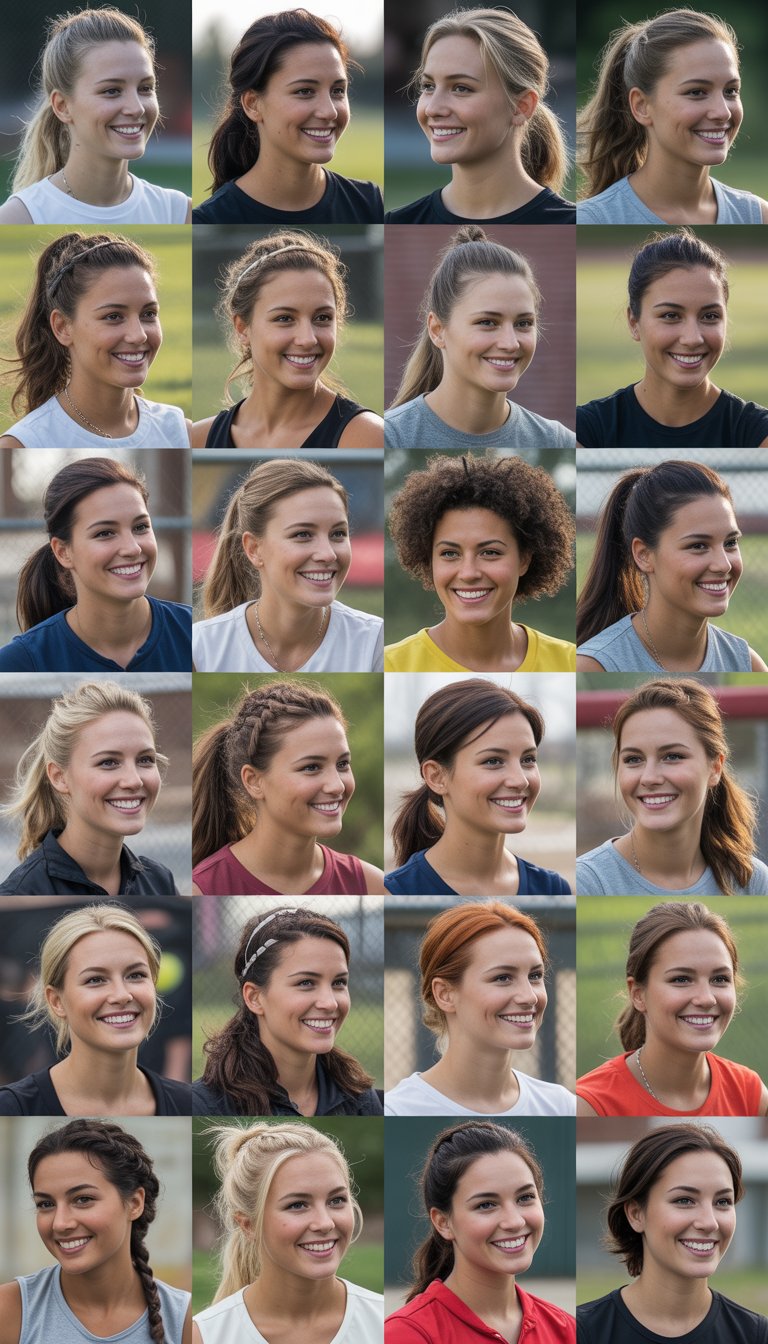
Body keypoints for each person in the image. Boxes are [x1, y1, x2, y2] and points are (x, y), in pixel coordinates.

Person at [0, 1118, 191, 1344]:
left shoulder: (183, 1319)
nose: (60, 1223)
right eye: (46, 1204)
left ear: (135, 1203)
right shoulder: (10, 1311)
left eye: (83, 1199)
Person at [192, 1121, 383, 1343]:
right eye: (297, 1205)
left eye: (336, 1200)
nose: (325, 1223)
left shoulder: (383, 1323)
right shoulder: (203, 1336)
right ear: (248, 1225)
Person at [385, 1120, 576, 1342]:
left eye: (525, 1198)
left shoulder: (566, 1330)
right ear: (443, 1222)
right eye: (486, 1204)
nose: (514, 1221)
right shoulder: (406, 1335)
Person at [385, 227, 575, 449]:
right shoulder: (390, 437)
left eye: (523, 323)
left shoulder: (559, 442)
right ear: (437, 330)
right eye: (487, 322)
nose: (510, 343)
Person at [385, 451, 575, 672]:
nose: (468, 573)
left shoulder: (570, 661)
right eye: (449, 553)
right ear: (429, 560)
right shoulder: (391, 664)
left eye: (490, 552)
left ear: (524, 559)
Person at [576, 678, 768, 896]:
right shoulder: (589, 883)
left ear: (715, 768)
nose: (649, 778)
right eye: (633, 759)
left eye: (672, 756)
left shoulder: (752, 882)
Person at [577, 1124, 768, 1343]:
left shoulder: (755, 1335)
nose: (710, 1222)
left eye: (722, 1202)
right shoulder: (583, 1331)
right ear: (636, 1214)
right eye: (684, 1200)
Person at [192, 680, 385, 896]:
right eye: (311, 767)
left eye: (342, 764)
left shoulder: (373, 885)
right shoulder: (203, 889)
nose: (337, 785)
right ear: (253, 781)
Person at [576, 232, 768, 447]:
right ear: (634, 322)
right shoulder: (586, 431)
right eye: (670, 315)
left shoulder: (758, 435)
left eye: (710, 316)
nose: (692, 338)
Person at [190, 233, 382, 449]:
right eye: (285, 319)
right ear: (242, 328)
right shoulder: (197, 439)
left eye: (322, 318)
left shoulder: (367, 437)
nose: (308, 339)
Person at [576, 9, 768, 224]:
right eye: (696, 92)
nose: (723, 112)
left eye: (731, 91)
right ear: (641, 106)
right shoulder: (591, 219)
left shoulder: (757, 216)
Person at [0, 8, 190, 225]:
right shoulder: (19, 218)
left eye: (145, 88)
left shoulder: (180, 213)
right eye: (112, 91)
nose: (136, 108)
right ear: (62, 106)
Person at [577, 902, 768, 1117]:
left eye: (720, 979)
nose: (706, 998)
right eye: (681, 979)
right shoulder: (590, 1106)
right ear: (638, 994)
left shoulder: (750, 1094)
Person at [0, 457, 190, 672]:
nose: (133, 548)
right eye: (105, 533)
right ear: (63, 552)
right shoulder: (17, 664)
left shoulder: (194, 633)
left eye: (140, 527)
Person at [386, 7, 575, 224]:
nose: (432, 108)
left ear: (521, 107)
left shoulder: (568, 221)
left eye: (461, 88)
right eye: (428, 86)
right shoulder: (399, 221)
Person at [385, 900, 575, 1116]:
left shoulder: (562, 1106)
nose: (529, 997)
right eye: (502, 978)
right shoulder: (398, 1110)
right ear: (444, 994)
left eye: (535, 976)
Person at [0, 232, 189, 448]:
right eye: (113, 316)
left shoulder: (179, 431)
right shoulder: (23, 444)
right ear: (62, 327)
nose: (139, 335)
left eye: (148, 314)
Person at [192, 10, 382, 224]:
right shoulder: (209, 220)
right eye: (305, 91)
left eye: (337, 91)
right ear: (252, 104)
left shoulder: (371, 205)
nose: (330, 111)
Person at [385, 679, 571, 896]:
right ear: (436, 777)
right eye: (493, 761)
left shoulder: (553, 890)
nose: (520, 780)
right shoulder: (396, 892)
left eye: (528, 759)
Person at [576, 460, 767, 672]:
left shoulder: (746, 663)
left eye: (730, 543)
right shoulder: (593, 665)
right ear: (644, 555)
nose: (723, 565)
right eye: (698, 545)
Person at [193, 458, 382, 671]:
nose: (328, 554)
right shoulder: (200, 647)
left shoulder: (374, 642)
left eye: (338, 533)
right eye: (303, 534)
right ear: (253, 549)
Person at [0, 904, 190, 1116]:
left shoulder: (187, 1104)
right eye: (95, 979)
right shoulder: (11, 1108)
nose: (121, 995)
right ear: (56, 1001)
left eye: (136, 975)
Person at [193, 907, 382, 1116]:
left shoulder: (360, 1099)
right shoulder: (206, 1106)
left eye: (339, 982)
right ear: (254, 997)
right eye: (306, 982)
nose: (330, 1003)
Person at [0, 680, 179, 897]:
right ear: (59, 777)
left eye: (145, 759)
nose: (134, 781)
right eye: (108, 762)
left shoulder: (160, 883)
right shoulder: (21, 895)